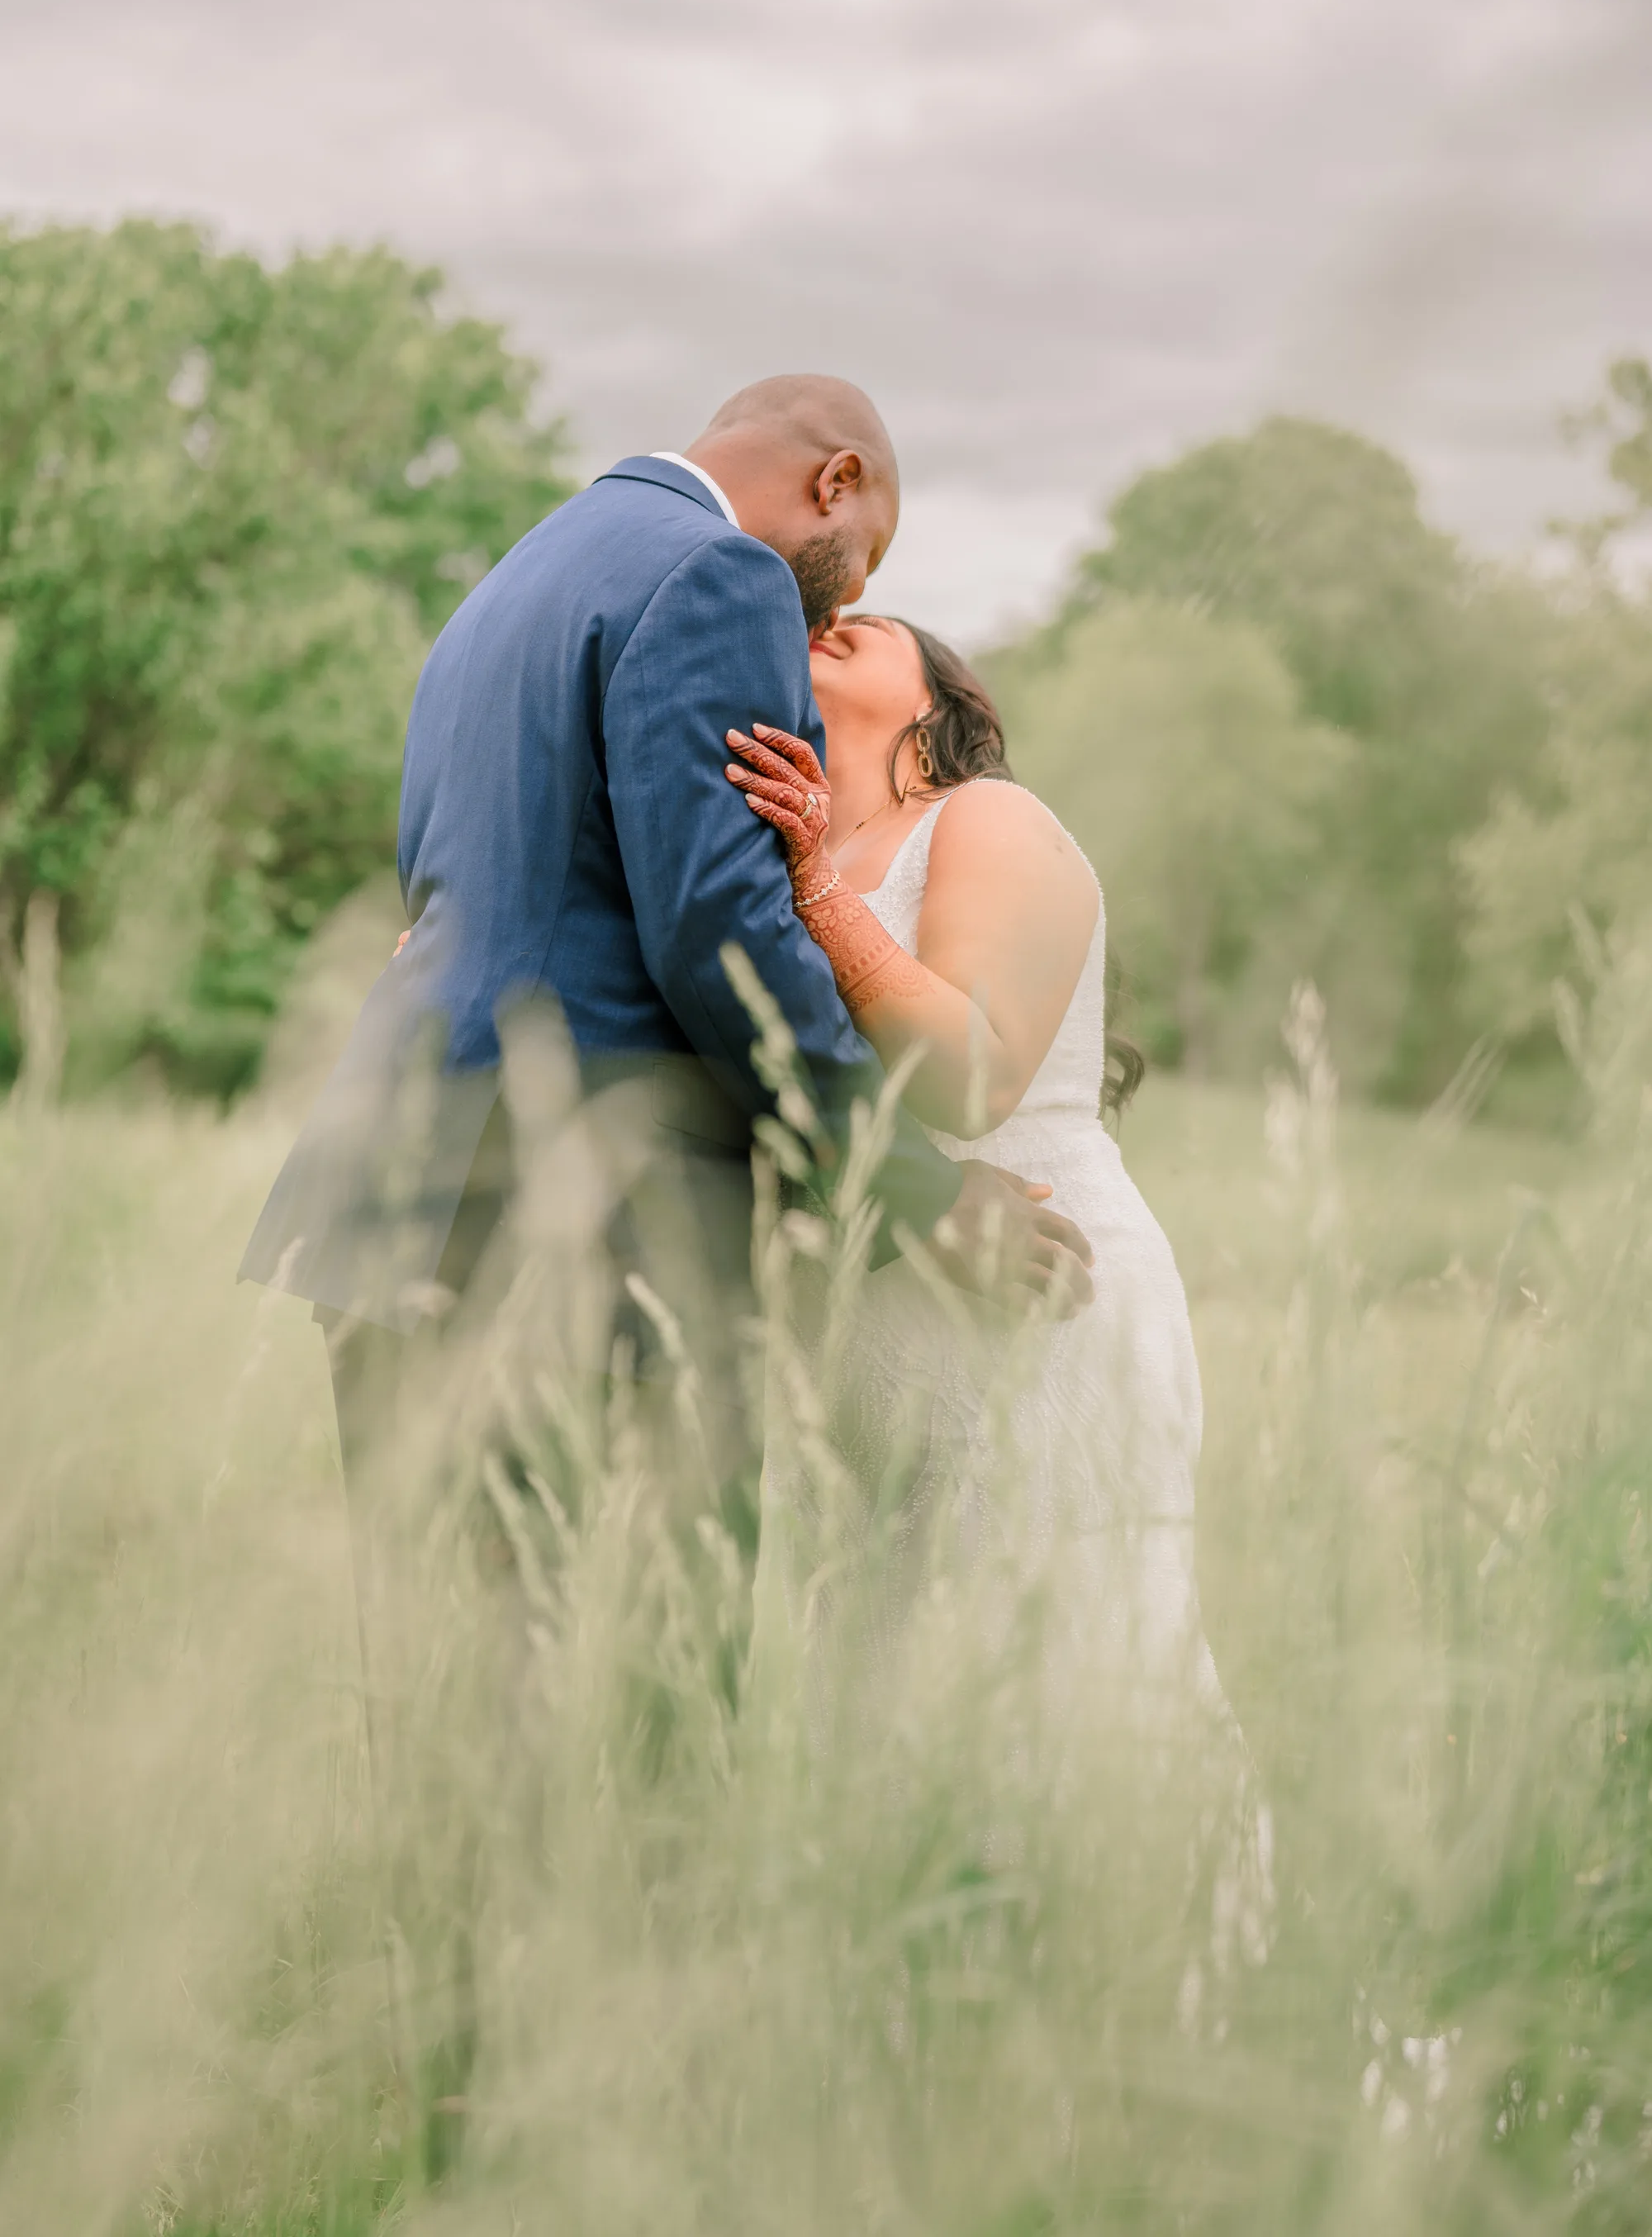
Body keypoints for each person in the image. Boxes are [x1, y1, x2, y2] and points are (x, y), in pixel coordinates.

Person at [240, 377, 1094, 1513]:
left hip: (395, 1205)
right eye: (865, 560)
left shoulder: (515, 577)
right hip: (578, 1251)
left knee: (435, 1681)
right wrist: (922, 1198)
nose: (837, 613)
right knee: (620, 1687)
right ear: (835, 482)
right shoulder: (718, 570)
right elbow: (718, 939)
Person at [719, 613, 1215, 1694]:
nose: (827, 623)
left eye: (868, 625)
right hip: (850, 1346)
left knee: (1049, 1681)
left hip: (1025, 1304)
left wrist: (815, 882)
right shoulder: (760, 851)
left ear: (950, 713)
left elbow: (969, 1079)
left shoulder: (986, 817)